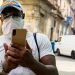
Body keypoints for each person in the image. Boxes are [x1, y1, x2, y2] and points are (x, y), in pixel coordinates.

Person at [0, 0, 59, 75]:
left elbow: (54, 73)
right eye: (6, 15)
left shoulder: (40, 39)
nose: (11, 19)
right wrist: (6, 69)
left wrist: (32, 63)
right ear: (1, 19)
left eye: (15, 14)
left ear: (23, 16)